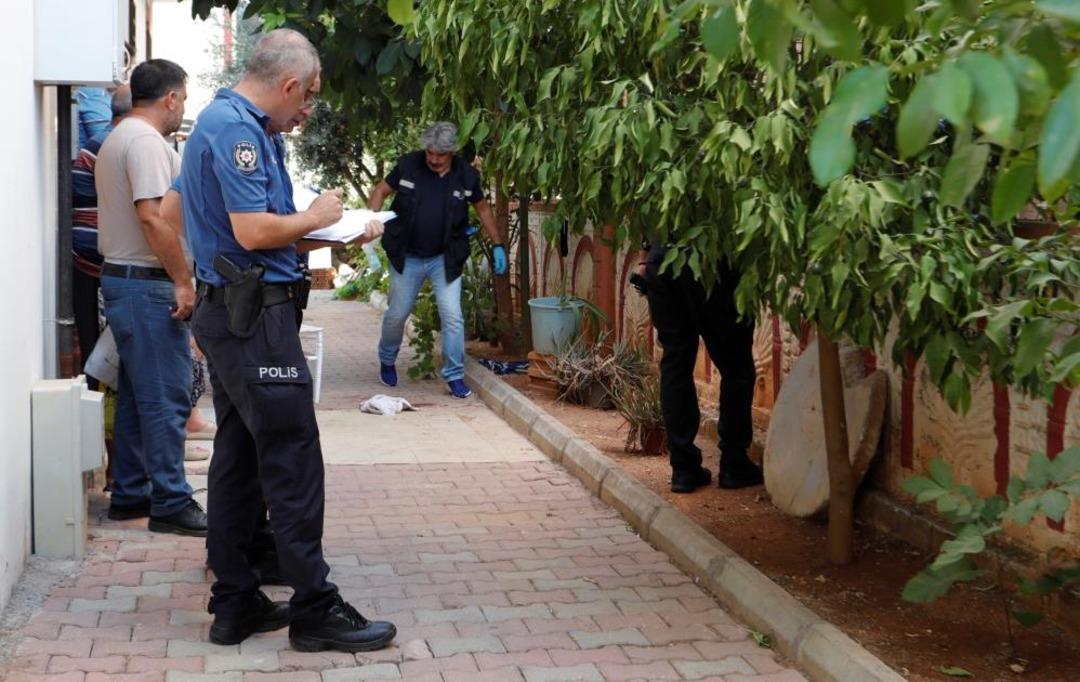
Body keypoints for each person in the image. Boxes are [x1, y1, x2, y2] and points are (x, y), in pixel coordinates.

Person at [180, 28, 395, 651]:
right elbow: (252, 232)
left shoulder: (238, 126)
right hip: (254, 321)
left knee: (240, 455)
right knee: (292, 458)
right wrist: (319, 215)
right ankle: (315, 610)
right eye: (310, 95)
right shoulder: (238, 132)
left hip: (237, 312)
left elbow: (258, 234)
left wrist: (332, 233)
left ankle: (236, 601)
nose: (309, 108)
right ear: (291, 84)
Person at [95, 59, 207, 534]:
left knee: (140, 395)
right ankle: (170, 500)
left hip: (130, 281)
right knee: (166, 397)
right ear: (171, 98)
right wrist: (183, 280)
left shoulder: (121, 135)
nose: (183, 108)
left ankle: (131, 493)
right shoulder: (144, 141)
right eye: (184, 98)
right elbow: (153, 216)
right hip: (145, 282)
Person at [367, 122, 507, 399]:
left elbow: (482, 209)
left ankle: (454, 376)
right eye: (429, 152)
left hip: (445, 257)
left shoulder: (466, 176)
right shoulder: (408, 165)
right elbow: (381, 191)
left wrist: (498, 244)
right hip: (407, 256)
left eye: (440, 154)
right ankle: (387, 359)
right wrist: (370, 220)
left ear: (452, 152)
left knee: (452, 316)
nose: (433, 159)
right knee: (397, 314)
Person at [636, 243, 763, 492]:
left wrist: (643, 260)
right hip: (712, 258)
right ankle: (734, 463)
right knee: (736, 364)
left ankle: (683, 468)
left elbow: (646, 221)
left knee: (675, 365)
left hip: (662, 260)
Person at [72, 86, 131, 373]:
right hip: (99, 255)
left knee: (94, 339)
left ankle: (96, 387)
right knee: (107, 345)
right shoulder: (113, 145)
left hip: (89, 253)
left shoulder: (106, 141)